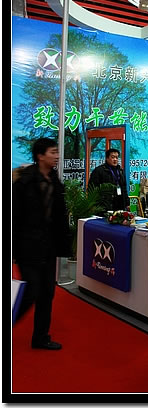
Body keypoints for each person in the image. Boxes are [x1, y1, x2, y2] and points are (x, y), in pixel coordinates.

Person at [12, 137, 71, 350]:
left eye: (56, 152)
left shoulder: (55, 181)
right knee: (31, 291)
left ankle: (40, 337)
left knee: (47, 293)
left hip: (48, 246)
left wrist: (64, 243)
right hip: (27, 247)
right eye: (52, 152)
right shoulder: (24, 182)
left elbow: (59, 216)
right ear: (40, 156)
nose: (57, 156)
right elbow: (14, 217)